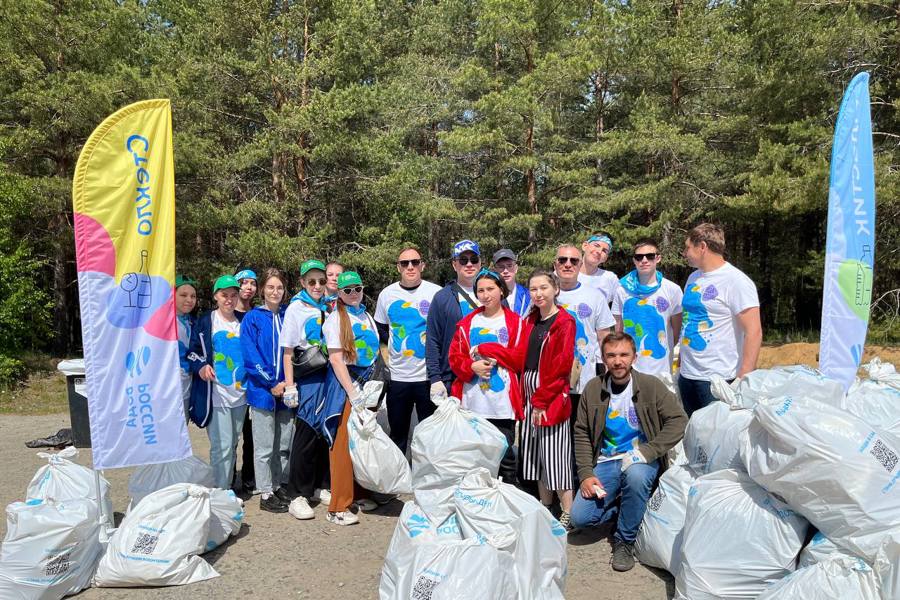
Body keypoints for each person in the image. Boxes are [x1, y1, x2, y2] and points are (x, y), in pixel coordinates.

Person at [570, 332, 688, 572]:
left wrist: (648, 451)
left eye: (624, 354)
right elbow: (581, 432)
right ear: (603, 358)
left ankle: (625, 540)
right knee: (580, 518)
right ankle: (628, 508)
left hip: (639, 460)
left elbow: (679, 420)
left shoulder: (650, 386)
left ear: (634, 357)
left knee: (635, 477)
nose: (617, 361)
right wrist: (585, 473)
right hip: (605, 461)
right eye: (611, 355)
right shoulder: (593, 388)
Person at [448, 269, 524, 483]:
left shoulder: (516, 323)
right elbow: (454, 358)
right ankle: (477, 499)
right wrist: (471, 366)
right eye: (480, 290)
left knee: (505, 455)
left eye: (490, 289)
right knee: (474, 456)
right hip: (473, 402)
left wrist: (486, 347)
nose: (485, 294)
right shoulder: (467, 323)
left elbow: (519, 358)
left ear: (501, 290)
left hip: (502, 403)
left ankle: (507, 498)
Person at [679, 223, 762, 416]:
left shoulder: (736, 281)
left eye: (687, 247)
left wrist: (743, 378)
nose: (685, 253)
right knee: (694, 437)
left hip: (717, 380)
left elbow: (754, 331)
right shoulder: (693, 278)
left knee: (716, 440)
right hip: (688, 375)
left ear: (702, 247)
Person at [321, 271, 380, 525]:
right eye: (347, 290)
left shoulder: (365, 315)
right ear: (339, 295)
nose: (353, 293)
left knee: (362, 441)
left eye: (357, 288)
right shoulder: (335, 319)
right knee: (342, 445)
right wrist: (352, 392)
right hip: (345, 386)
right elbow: (336, 359)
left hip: (367, 384)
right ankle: (338, 506)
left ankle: (359, 493)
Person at [518, 270, 577, 527]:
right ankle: (545, 506)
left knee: (555, 453)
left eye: (543, 288)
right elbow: (518, 354)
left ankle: (567, 512)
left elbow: (561, 365)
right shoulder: (530, 319)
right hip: (529, 391)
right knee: (536, 453)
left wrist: (542, 400)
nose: (538, 293)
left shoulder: (564, 321)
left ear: (555, 289)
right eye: (533, 289)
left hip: (549, 393)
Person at [374, 247, 442, 453]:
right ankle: (399, 481)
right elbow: (381, 330)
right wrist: (390, 358)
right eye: (405, 263)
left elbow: (443, 331)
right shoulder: (387, 294)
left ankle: (429, 480)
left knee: (430, 436)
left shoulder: (436, 293)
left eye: (414, 262)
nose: (410, 267)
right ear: (398, 267)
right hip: (398, 378)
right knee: (398, 435)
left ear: (423, 265)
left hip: (428, 378)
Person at [282, 260, 333, 520]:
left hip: (328, 374)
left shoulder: (330, 305)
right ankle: (297, 494)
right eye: (311, 281)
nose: (316, 286)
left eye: (321, 281)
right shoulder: (296, 309)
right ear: (302, 282)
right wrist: (290, 385)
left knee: (325, 432)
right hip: (308, 375)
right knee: (305, 431)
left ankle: (320, 486)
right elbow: (288, 350)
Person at [187, 275, 247, 490]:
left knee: (232, 444)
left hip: (241, 394)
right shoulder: (206, 321)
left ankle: (226, 484)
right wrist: (202, 366)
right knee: (220, 446)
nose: (229, 299)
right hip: (216, 394)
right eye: (224, 295)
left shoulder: (244, 320)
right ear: (216, 296)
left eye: (233, 295)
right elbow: (192, 352)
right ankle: (221, 492)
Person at [241, 268, 292, 513]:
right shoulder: (253, 318)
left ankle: (278, 483)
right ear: (262, 290)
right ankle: (265, 493)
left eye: (279, 287)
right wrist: (271, 382)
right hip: (262, 392)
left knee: (282, 443)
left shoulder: (287, 315)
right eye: (270, 287)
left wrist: (286, 383)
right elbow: (251, 356)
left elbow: (293, 351)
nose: (275, 291)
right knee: (263, 447)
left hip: (285, 392)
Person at [611, 239, 683, 389]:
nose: (644, 260)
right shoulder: (622, 290)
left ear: (658, 258)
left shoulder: (672, 289)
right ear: (634, 261)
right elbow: (619, 330)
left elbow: (677, 330)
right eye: (639, 257)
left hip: (661, 368)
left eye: (649, 256)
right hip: (630, 366)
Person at [555, 244, 615, 408]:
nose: (568, 264)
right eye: (562, 260)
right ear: (555, 265)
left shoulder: (595, 296)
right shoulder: (544, 295)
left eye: (574, 261)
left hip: (585, 377)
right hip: (551, 379)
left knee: (582, 429)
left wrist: (609, 367)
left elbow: (604, 337)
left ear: (580, 265)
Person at [426, 239, 482, 397]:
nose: (469, 264)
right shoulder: (442, 297)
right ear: (454, 265)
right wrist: (435, 378)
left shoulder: (494, 293)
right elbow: (432, 339)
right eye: (463, 260)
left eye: (474, 260)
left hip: (487, 376)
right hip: (453, 378)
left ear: (480, 263)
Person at [234, 268, 258, 492]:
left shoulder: (256, 315)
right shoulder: (224, 313)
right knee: (229, 438)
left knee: (251, 436)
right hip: (229, 386)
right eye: (244, 283)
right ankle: (228, 481)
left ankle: (250, 479)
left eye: (253, 283)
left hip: (252, 384)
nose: (249, 287)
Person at [175, 274, 198, 422]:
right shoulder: (161, 322)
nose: (189, 300)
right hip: (166, 391)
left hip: (186, 390)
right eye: (183, 295)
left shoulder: (193, 322)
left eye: (193, 296)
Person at [579, 233, 619, 304]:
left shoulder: (610, 278)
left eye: (604, 251)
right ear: (585, 246)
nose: (599, 251)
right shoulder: (565, 273)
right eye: (596, 245)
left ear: (606, 258)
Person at [492, 248, 530, 317]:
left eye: (509, 266)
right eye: (501, 267)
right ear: (495, 270)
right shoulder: (489, 296)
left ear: (516, 268)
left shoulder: (528, 295)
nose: (506, 271)